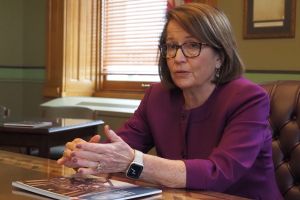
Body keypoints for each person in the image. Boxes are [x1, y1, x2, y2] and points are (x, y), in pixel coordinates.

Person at [57, 3, 282, 199]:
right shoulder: (157, 96)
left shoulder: (249, 99)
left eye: (193, 45)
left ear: (220, 56)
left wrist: (133, 162)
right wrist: (86, 154)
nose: (178, 58)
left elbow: (219, 174)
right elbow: (121, 148)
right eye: (172, 46)